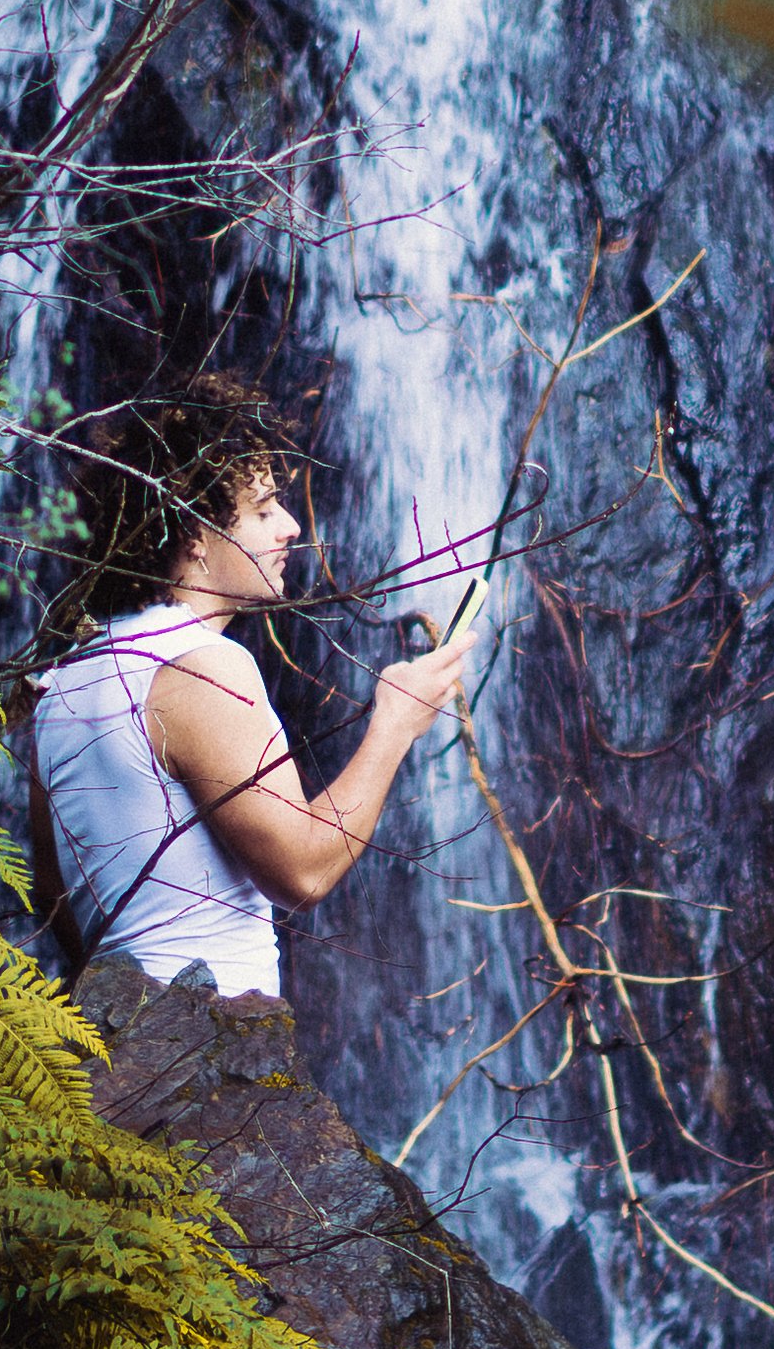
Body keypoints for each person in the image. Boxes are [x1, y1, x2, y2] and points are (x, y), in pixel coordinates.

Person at [27, 379, 470, 1000]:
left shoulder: (63, 681)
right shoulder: (204, 666)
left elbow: (51, 893)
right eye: (263, 510)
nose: (291, 526)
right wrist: (396, 721)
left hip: (114, 1040)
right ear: (194, 537)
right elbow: (304, 871)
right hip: (210, 1042)